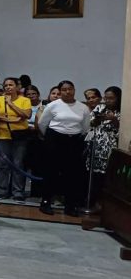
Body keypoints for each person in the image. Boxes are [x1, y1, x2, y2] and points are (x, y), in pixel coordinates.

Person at [36, 80, 92, 216]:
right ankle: (46, 202)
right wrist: (50, 138)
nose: (68, 92)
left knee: (72, 174)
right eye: (64, 89)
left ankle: (70, 205)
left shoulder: (82, 107)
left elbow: (85, 127)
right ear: (60, 91)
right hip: (55, 139)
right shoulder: (53, 105)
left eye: (70, 89)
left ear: (74, 90)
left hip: (74, 141)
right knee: (51, 172)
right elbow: (43, 124)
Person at [0, 78, 32, 201]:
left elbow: (27, 115)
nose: (8, 87)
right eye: (6, 85)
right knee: (3, 164)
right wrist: (12, 119)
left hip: (19, 136)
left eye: (11, 85)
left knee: (18, 164)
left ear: (17, 87)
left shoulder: (25, 100)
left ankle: (18, 191)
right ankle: (2, 190)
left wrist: (11, 104)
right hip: (2, 135)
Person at [86, 86, 121, 206]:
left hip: (111, 149)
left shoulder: (123, 110)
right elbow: (90, 124)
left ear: (118, 98)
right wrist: (98, 119)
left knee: (108, 178)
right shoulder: (100, 107)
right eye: (106, 98)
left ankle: (105, 205)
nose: (108, 101)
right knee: (93, 177)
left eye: (111, 98)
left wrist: (115, 120)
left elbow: (123, 131)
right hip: (96, 147)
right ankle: (91, 202)